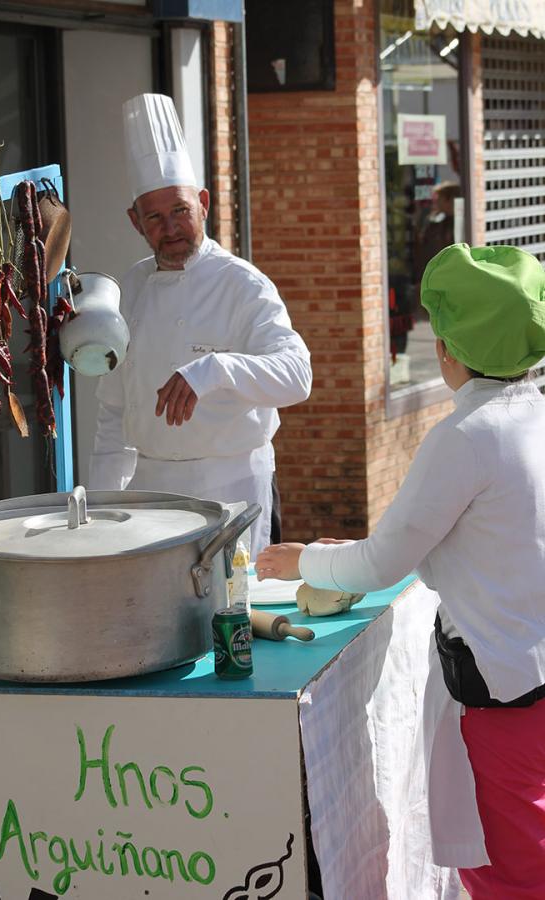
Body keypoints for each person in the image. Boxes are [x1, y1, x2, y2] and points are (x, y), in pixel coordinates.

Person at [256, 243, 545, 898]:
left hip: (498, 696)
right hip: (533, 683)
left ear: (449, 349)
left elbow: (385, 559)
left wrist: (299, 559)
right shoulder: (535, 415)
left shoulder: (467, 436)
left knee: (510, 873)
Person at [89, 94, 312, 557]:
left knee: (230, 615)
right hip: (152, 492)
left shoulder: (243, 284)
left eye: (180, 211)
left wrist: (214, 369)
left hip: (232, 487)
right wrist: (101, 505)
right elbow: (114, 407)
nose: (170, 227)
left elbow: (298, 377)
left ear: (204, 203)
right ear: (135, 222)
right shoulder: (129, 286)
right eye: (154, 217)